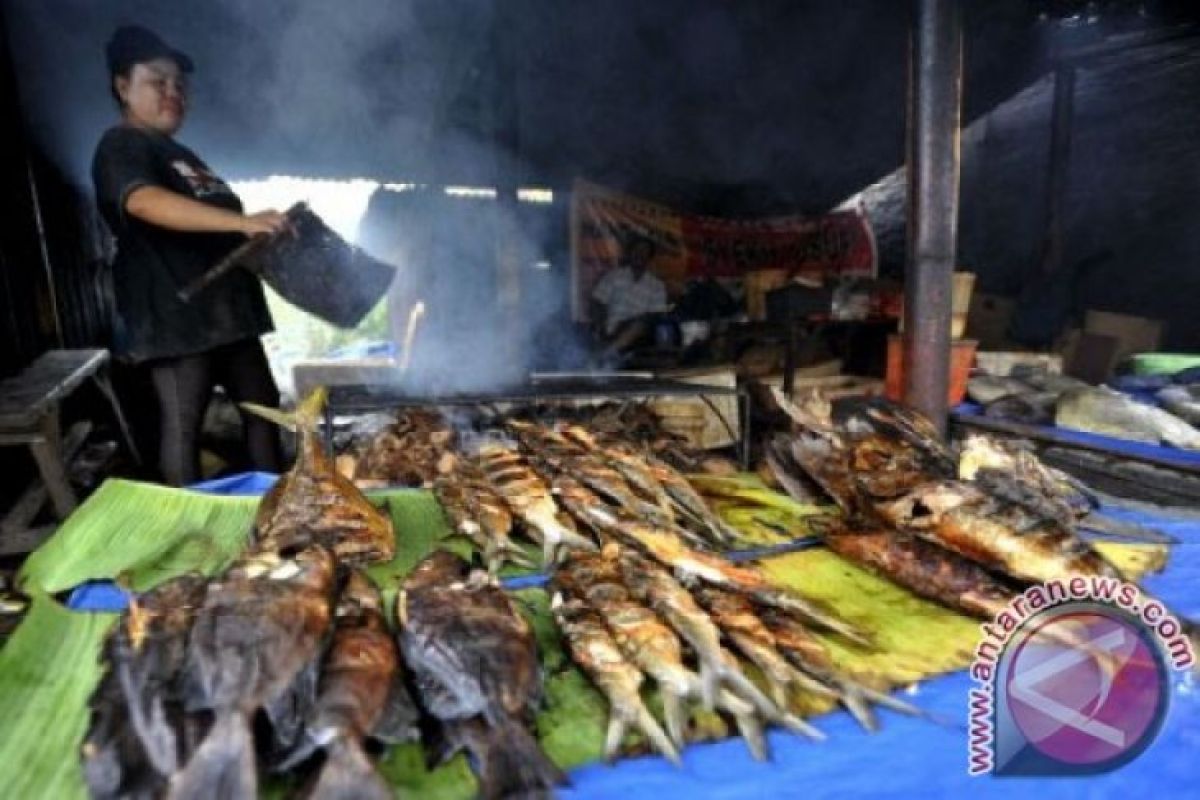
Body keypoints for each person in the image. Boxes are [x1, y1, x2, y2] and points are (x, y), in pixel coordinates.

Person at [92, 25, 288, 486]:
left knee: (265, 412)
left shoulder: (182, 154)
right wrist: (243, 222)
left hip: (229, 316)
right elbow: (141, 201)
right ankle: (186, 537)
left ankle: (276, 516)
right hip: (177, 317)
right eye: (158, 81)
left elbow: (211, 227)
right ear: (123, 87)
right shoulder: (122, 145)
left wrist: (260, 240)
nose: (173, 92)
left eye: (180, 84)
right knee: (183, 427)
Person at [590, 235, 670, 354]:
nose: (640, 254)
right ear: (629, 253)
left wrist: (634, 322)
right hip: (612, 330)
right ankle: (611, 350)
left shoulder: (657, 286)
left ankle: (608, 353)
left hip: (641, 335)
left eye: (644, 251)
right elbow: (598, 303)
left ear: (649, 257)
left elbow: (655, 316)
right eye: (636, 250)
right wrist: (601, 329)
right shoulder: (613, 277)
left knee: (641, 323)